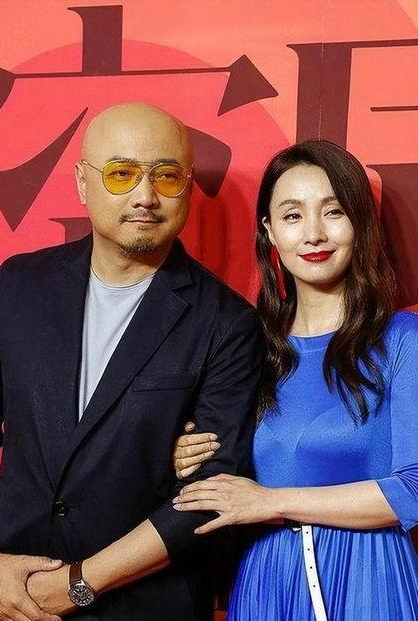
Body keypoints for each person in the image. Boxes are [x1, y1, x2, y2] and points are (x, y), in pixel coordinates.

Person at [0, 103, 263, 621]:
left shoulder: (227, 322)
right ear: (83, 183)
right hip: (7, 598)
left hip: (144, 606)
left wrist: (78, 585)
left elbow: (210, 491)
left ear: (188, 188)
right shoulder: (19, 286)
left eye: (167, 176)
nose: (145, 196)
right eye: (121, 174)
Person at [172, 140, 418, 620]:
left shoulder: (401, 340)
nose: (314, 234)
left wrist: (270, 502)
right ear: (269, 231)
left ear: (360, 222)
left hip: (368, 578)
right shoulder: (246, 348)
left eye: (333, 212)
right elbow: (220, 465)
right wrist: (185, 454)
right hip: (266, 579)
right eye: (292, 215)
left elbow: (413, 490)